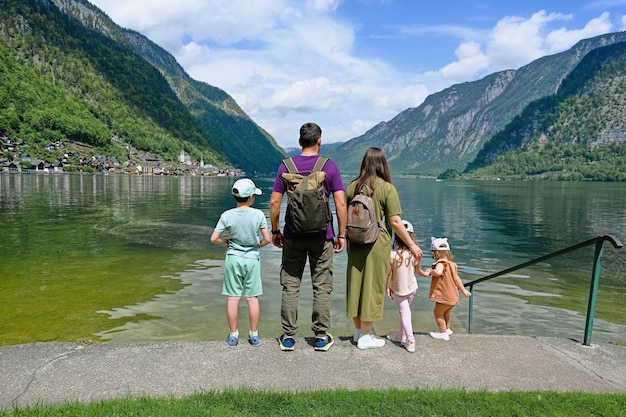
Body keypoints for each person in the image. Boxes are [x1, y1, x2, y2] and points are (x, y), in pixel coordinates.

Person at [270, 122, 347, 352]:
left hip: (293, 235)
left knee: (290, 286)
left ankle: (288, 338)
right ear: (320, 141)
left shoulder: (286, 166)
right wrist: (341, 234)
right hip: (323, 236)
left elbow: (274, 202)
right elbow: (341, 202)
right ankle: (321, 337)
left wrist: (275, 230)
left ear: (299, 141)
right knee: (321, 286)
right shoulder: (329, 167)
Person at [345, 147, 423, 350]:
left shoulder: (352, 187)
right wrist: (412, 245)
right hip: (376, 245)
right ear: (383, 164)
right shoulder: (386, 188)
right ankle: (364, 337)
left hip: (354, 243)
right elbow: (396, 222)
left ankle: (358, 332)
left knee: (356, 286)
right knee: (373, 288)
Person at [210, 178, 271, 347]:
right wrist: (257, 244)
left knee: (233, 298)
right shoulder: (258, 214)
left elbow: (214, 238)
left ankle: (233, 335)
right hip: (252, 259)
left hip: (233, 259)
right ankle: (254, 334)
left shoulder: (226, 215)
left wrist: (226, 241)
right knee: (252, 299)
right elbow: (267, 239)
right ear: (251, 197)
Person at [416, 237, 471, 341]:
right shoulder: (452, 265)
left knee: (438, 313)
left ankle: (443, 333)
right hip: (453, 296)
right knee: (446, 313)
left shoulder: (440, 264)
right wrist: (464, 291)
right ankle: (447, 329)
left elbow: (438, 272)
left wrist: (431, 271)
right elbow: (457, 279)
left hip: (444, 296)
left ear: (436, 253)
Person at [385, 220, 419, 353]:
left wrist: (387, 286)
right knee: (405, 312)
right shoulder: (414, 254)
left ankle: (410, 340)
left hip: (400, 290)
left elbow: (389, 273)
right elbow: (417, 270)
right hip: (412, 288)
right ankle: (401, 334)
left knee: (405, 314)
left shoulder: (392, 254)